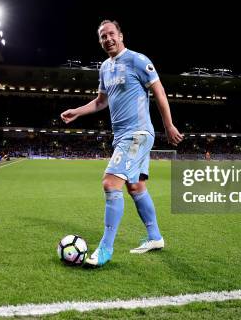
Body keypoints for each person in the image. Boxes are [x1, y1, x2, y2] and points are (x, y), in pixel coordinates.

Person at [60, 20, 183, 267]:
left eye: (111, 34)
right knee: (135, 187)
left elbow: (159, 93)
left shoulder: (137, 60)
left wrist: (168, 125)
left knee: (110, 182)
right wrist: (77, 111)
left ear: (121, 36)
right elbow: (100, 102)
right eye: (103, 36)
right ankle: (155, 237)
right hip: (122, 136)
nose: (108, 39)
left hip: (138, 134)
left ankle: (105, 249)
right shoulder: (105, 67)